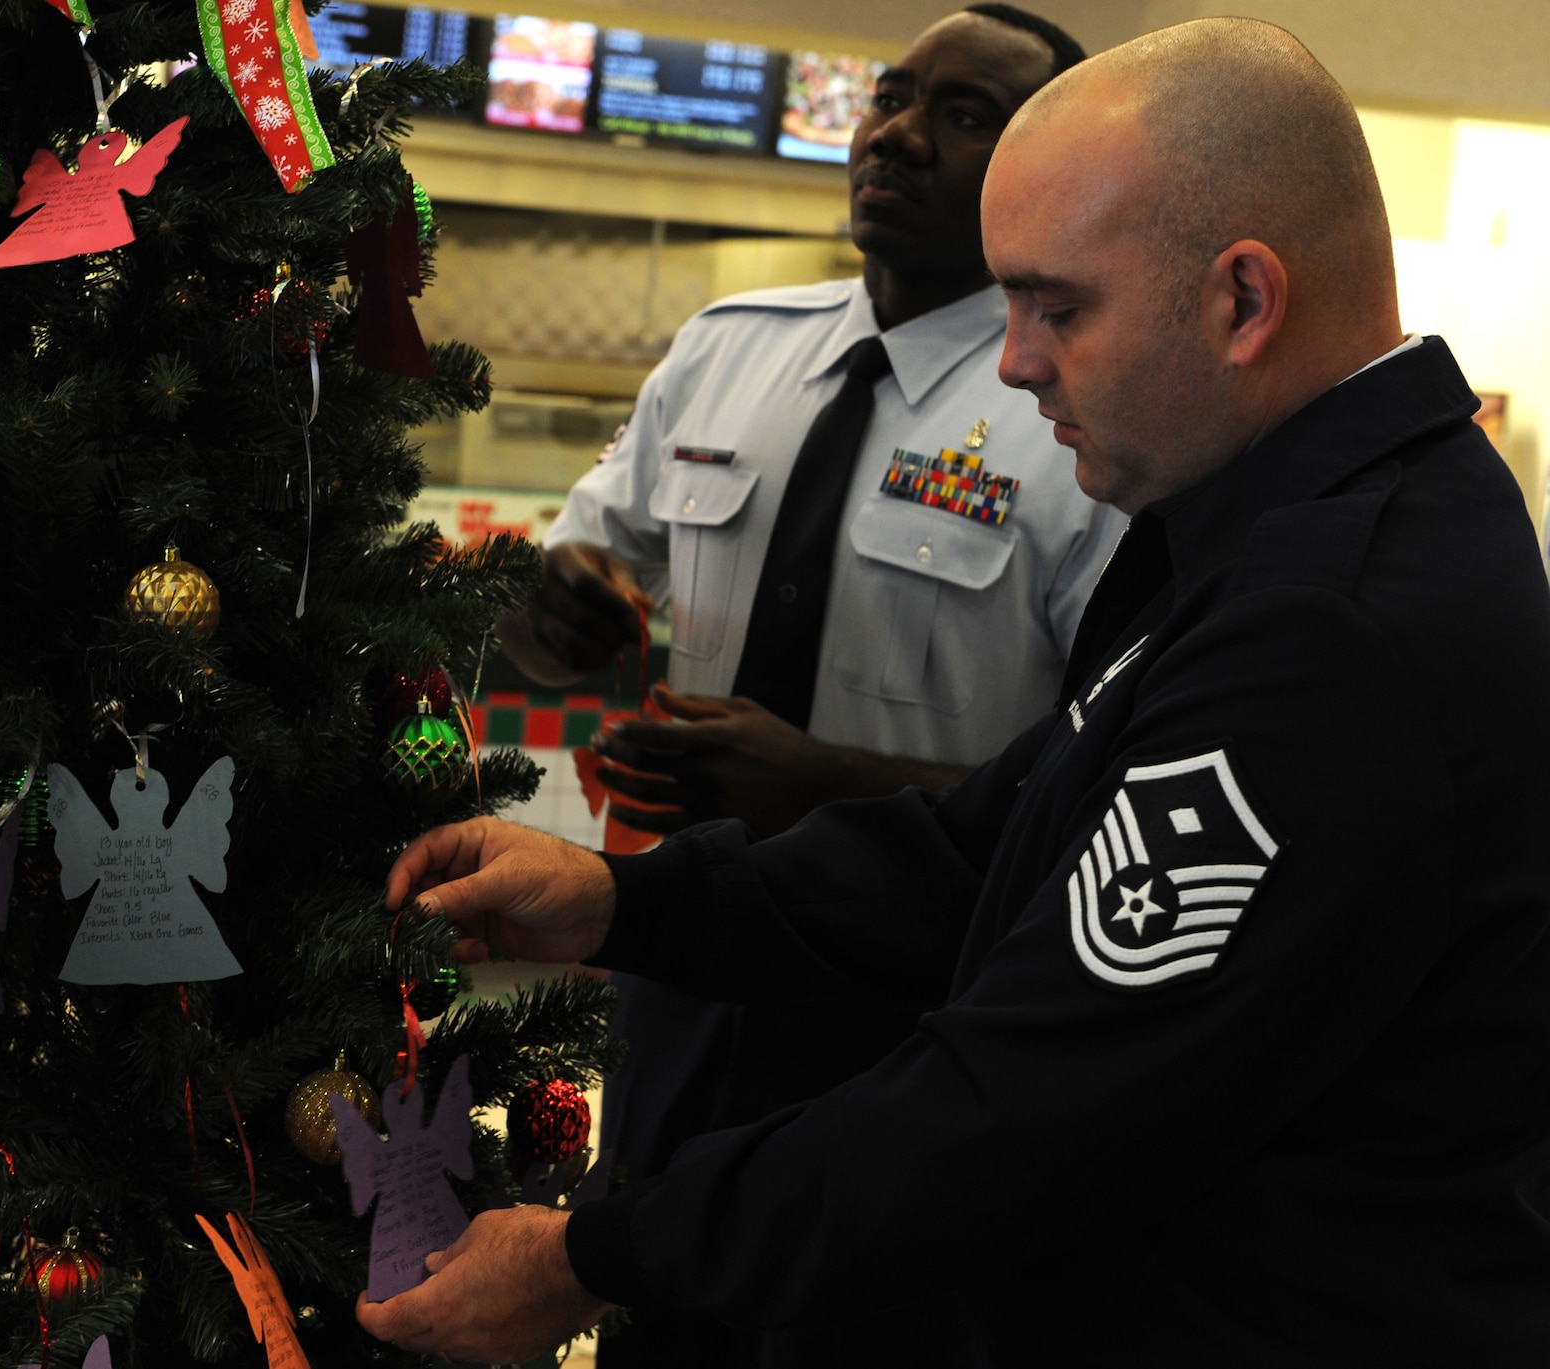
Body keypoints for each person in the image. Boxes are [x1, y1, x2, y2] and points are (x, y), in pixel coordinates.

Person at [360, 17, 1550, 1365]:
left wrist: (596, 1254)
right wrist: (627, 902)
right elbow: (995, 842)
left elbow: (1033, 1104)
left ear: (1242, 300)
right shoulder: (1275, 527)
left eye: (1058, 307)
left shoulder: (1330, 622)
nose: (1015, 361)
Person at [503, 13, 1120, 1361]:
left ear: (1055, 171)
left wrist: (825, 783)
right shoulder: (728, 349)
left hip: (920, 1015)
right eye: (893, 97)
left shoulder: (1087, 415)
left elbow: (1101, 795)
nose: (897, 131)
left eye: (963, 115)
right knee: (657, 1311)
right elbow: (553, 635)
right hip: (679, 971)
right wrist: (552, 616)